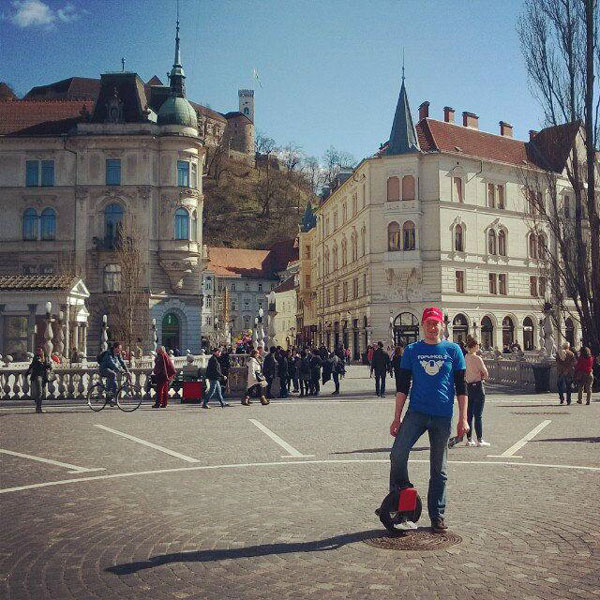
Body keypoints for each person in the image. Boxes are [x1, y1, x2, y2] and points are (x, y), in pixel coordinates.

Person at [389, 307, 468, 533]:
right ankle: (404, 497)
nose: (433, 328)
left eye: (436, 324)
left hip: (443, 416)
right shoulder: (412, 351)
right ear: (422, 326)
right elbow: (402, 387)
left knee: (439, 470)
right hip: (416, 413)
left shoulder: (453, 351)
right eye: (429, 324)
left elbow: (462, 389)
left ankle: (437, 515)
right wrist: (396, 418)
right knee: (397, 454)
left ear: (442, 326)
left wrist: (463, 419)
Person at [464, 338, 490, 447]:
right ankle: (480, 440)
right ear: (474, 346)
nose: (478, 347)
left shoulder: (465, 357)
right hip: (478, 387)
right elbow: (486, 373)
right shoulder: (477, 358)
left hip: (469, 387)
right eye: (478, 345)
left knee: (469, 415)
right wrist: (483, 378)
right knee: (478, 415)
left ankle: (469, 439)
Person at [26, 348, 52, 413]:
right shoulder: (36, 358)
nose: (39, 352)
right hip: (38, 376)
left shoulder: (45, 358)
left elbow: (48, 366)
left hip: (43, 377)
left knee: (42, 392)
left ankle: (38, 405)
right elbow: (33, 365)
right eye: (37, 351)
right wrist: (27, 372)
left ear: (42, 351)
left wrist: (48, 365)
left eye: (40, 351)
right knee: (39, 392)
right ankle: (38, 408)